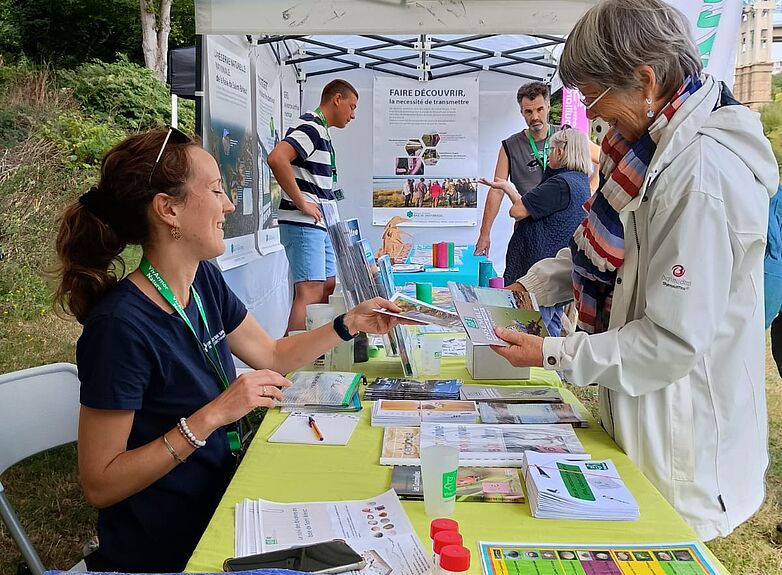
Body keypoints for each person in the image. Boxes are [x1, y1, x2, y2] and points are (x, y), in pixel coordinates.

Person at [54, 129, 405, 573]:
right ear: (169, 209)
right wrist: (214, 415)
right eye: (217, 190)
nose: (229, 205)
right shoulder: (118, 328)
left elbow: (272, 355)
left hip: (224, 504)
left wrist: (350, 323)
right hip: (170, 547)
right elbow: (100, 484)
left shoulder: (202, 280)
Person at [492, 0, 777, 541]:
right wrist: (531, 287)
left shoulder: (700, 173)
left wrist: (552, 353)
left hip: (683, 440)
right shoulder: (645, 153)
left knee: (659, 540)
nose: (596, 119)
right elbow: (592, 250)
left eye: (597, 99)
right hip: (641, 413)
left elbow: (670, 341)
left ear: (646, 80)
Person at [480, 128, 591, 335]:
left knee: (537, 335)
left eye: (552, 149)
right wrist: (507, 188)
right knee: (551, 330)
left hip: (540, 275)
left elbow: (517, 210)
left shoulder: (559, 184)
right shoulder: (579, 181)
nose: (548, 154)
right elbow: (526, 210)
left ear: (561, 152)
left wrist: (507, 187)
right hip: (552, 276)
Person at [474, 83, 600, 266]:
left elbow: (605, 157)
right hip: (530, 227)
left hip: (563, 229)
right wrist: (485, 234)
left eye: (540, 109)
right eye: (528, 112)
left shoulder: (567, 137)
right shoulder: (510, 146)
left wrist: (591, 186)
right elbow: (497, 190)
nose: (535, 117)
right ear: (521, 112)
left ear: (548, 106)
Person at [268, 79, 358, 332]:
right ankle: (290, 360)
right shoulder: (311, 126)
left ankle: (315, 349)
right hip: (304, 222)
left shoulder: (321, 131)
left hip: (322, 224)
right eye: (351, 107)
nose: (352, 115)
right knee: (309, 291)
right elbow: (276, 158)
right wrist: (302, 203)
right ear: (336, 99)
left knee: (328, 285)